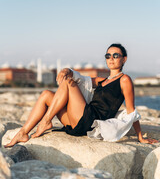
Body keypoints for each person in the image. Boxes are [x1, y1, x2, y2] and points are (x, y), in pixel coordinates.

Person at [5, 43, 158, 147]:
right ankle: (23, 133)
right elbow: (81, 79)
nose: (111, 59)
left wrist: (140, 137)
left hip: (90, 121)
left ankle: (45, 121)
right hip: (77, 121)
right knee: (46, 94)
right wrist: (67, 70)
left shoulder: (124, 80)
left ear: (124, 59)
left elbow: (131, 111)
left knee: (68, 82)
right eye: (108, 55)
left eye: (115, 55)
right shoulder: (102, 80)